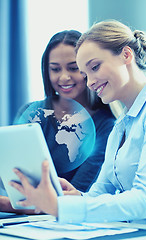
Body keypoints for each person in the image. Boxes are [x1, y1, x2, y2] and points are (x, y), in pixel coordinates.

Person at [10, 19, 146, 225]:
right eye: (85, 74)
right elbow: (101, 190)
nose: (90, 83)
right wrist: (76, 197)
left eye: (95, 67)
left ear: (126, 55)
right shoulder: (122, 124)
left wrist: (60, 207)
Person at [0, 30, 116, 212]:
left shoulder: (106, 126)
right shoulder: (32, 113)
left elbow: (78, 195)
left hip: (65, 219)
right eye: (55, 69)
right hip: (20, 217)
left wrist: (6, 204)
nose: (63, 77)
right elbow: (8, 178)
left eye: (73, 68)